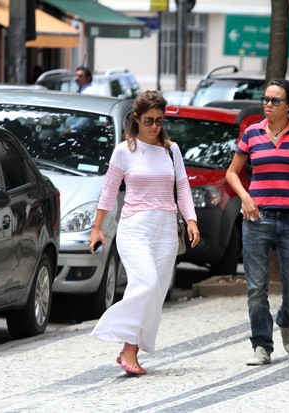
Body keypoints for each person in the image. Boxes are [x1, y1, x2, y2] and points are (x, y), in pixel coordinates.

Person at [89, 90, 200, 376]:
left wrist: (191, 220)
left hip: (165, 229)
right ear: (136, 118)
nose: (154, 127)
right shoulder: (124, 150)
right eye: (149, 121)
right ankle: (115, 333)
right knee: (147, 284)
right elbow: (109, 191)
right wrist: (97, 228)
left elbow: (183, 187)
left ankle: (131, 351)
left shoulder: (170, 150)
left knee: (156, 293)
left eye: (160, 121)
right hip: (134, 227)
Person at [225, 79, 289, 365]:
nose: (267, 104)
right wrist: (245, 196)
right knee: (255, 287)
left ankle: (286, 322)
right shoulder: (252, 133)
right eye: (265, 99)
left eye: (275, 100)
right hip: (256, 219)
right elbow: (232, 173)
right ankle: (261, 345)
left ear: (288, 105)